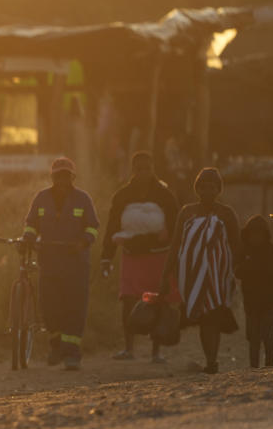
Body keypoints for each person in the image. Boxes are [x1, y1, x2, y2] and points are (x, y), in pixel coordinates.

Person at [160, 168, 241, 374]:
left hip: (218, 276)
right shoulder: (187, 212)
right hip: (190, 276)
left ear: (218, 189)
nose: (207, 191)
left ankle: (211, 361)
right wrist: (165, 275)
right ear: (197, 189)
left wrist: (236, 274)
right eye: (203, 187)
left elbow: (237, 246)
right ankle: (210, 359)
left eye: (212, 187)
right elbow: (176, 245)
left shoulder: (227, 213)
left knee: (212, 317)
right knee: (201, 316)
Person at [101, 151, 179, 363]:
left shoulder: (164, 195)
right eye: (139, 168)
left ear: (152, 169)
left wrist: (169, 234)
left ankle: (156, 351)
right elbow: (112, 227)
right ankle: (129, 349)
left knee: (158, 301)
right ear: (133, 170)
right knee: (128, 300)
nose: (143, 172)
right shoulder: (122, 196)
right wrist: (106, 257)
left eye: (147, 168)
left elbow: (176, 221)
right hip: (132, 256)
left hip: (158, 257)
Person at [23, 157, 100, 370]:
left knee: (74, 308)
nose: (62, 179)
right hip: (49, 262)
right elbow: (31, 224)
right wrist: (28, 237)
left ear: (72, 177)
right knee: (50, 306)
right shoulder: (41, 198)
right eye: (58, 175)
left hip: (76, 264)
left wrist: (83, 242)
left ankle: (72, 353)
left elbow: (93, 227)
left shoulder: (83, 199)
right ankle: (56, 346)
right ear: (53, 177)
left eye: (66, 175)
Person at [236, 216, 273, 368]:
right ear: (247, 235)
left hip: (269, 303)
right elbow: (237, 272)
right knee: (253, 339)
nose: (255, 237)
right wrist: (248, 264)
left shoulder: (270, 250)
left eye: (259, 234)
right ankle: (254, 368)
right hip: (251, 304)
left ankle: (269, 365)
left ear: (265, 234)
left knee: (267, 336)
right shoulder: (244, 251)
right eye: (252, 234)